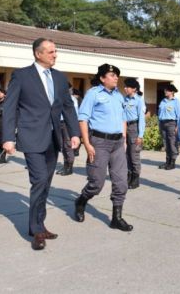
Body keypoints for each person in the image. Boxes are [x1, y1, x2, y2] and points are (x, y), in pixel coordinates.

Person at [2, 38, 80, 250]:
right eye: (51, 52)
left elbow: (68, 107)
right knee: (39, 180)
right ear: (38, 54)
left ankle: (39, 223)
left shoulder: (60, 78)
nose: (55, 55)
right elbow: (9, 107)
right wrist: (8, 137)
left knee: (45, 183)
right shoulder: (22, 76)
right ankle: (36, 230)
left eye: (56, 51)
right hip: (31, 136)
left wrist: (75, 133)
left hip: (54, 138)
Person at [74, 64, 133, 232]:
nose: (116, 78)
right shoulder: (93, 94)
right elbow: (83, 119)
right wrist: (87, 143)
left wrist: (124, 139)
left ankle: (117, 218)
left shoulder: (119, 96)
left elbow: (123, 118)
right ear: (102, 78)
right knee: (96, 183)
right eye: (112, 75)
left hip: (117, 144)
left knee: (121, 181)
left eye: (117, 75)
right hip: (99, 142)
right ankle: (81, 201)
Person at [123, 78, 146, 189]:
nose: (125, 89)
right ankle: (129, 176)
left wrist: (140, 135)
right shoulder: (125, 99)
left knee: (134, 155)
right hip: (125, 127)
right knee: (126, 154)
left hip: (134, 128)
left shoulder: (139, 100)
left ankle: (135, 179)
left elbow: (142, 119)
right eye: (125, 86)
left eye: (127, 87)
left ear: (134, 89)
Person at [56, 83, 78, 176]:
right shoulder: (59, 98)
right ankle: (65, 165)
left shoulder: (72, 99)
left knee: (68, 145)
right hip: (59, 123)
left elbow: (75, 114)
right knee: (62, 145)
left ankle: (69, 167)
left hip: (67, 123)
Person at [157, 84, 180, 170]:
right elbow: (159, 113)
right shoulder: (163, 101)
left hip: (172, 124)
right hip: (163, 123)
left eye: (167, 90)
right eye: (165, 90)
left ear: (172, 92)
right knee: (166, 143)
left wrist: (177, 127)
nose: (165, 92)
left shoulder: (176, 102)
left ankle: (172, 162)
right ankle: (167, 161)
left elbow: (179, 116)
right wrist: (159, 123)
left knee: (172, 143)